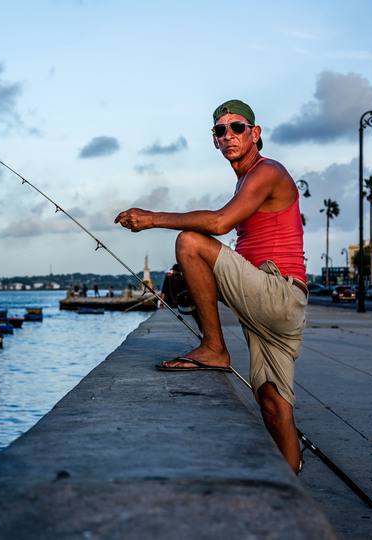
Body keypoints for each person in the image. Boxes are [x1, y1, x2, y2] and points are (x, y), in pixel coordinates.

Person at [114, 99, 307, 475]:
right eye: (221, 130)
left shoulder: (268, 172)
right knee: (273, 403)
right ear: (214, 140)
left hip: (278, 291)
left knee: (189, 242)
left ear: (255, 133)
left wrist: (152, 218)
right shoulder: (246, 180)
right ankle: (291, 485)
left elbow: (219, 223)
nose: (229, 135)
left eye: (237, 127)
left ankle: (215, 348)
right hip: (277, 304)